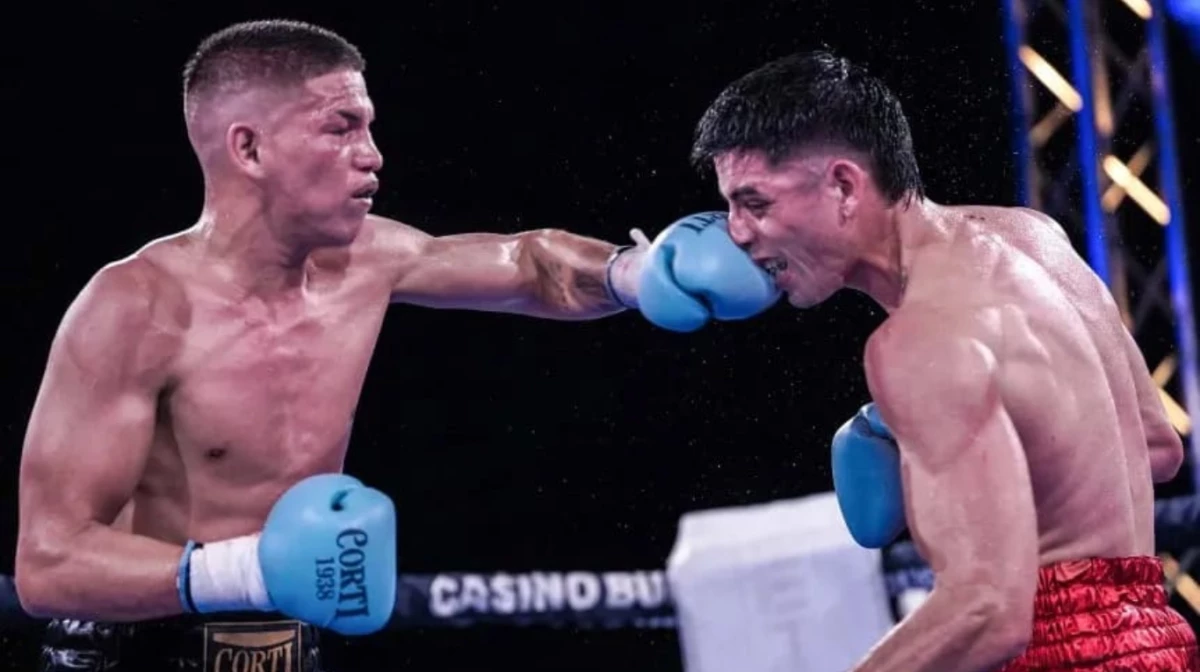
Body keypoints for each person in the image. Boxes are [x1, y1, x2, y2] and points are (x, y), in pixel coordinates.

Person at [13, 19, 778, 672]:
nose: (373, 153)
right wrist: (253, 569)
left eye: (369, 126)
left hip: (284, 643)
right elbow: (48, 564)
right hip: (131, 649)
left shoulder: (370, 261)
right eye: (340, 127)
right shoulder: (137, 307)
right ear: (248, 149)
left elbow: (526, 264)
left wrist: (636, 273)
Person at [689, 50, 1198, 671]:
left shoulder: (918, 342)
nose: (736, 232)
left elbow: (987, 608)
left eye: (756, 204)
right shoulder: (1033, 237)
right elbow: (1154, 447)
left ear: (845, 186)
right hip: (1153, 634)